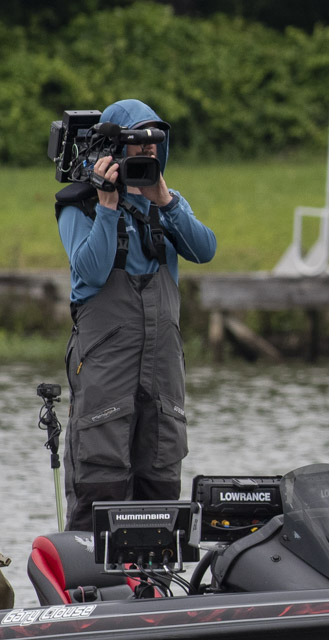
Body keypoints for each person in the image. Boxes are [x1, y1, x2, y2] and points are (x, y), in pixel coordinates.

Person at [56, 99, 217, 532]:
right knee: (101, 480)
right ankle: (91, 570)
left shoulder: (165, 204)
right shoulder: (79, 205)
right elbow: (90, 270)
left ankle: (155, 572)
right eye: (137, 142)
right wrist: (108, 207)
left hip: (162, 370)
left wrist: (164, 200)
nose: (147, 150)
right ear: (113, 148)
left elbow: (204, 250)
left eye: (153, 142)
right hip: (106, 367)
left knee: (160, 482)